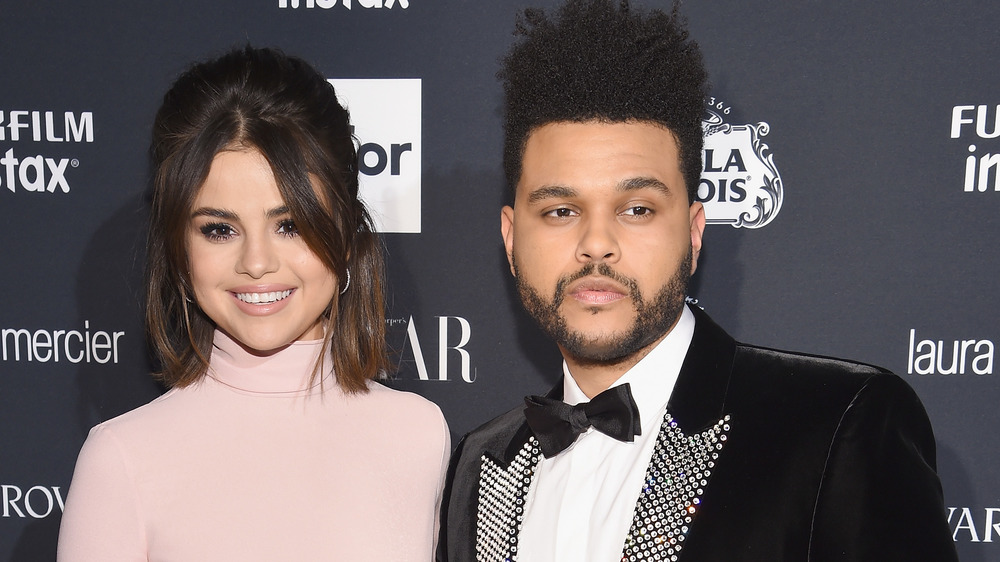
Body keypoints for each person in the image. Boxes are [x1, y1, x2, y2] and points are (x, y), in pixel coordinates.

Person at [436, 1, 958, 561]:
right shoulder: (480, 463)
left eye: (636, 209)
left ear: (692, 232)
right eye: (561, 211)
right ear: (512, 239)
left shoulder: (839, 427)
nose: (595, 242)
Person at [57, 46, 450, 561]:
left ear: (346, 231)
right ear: (178, 247)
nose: (257, 262)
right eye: (220, 229)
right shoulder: (122, 461)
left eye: (290, 225)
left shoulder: (419, 436)